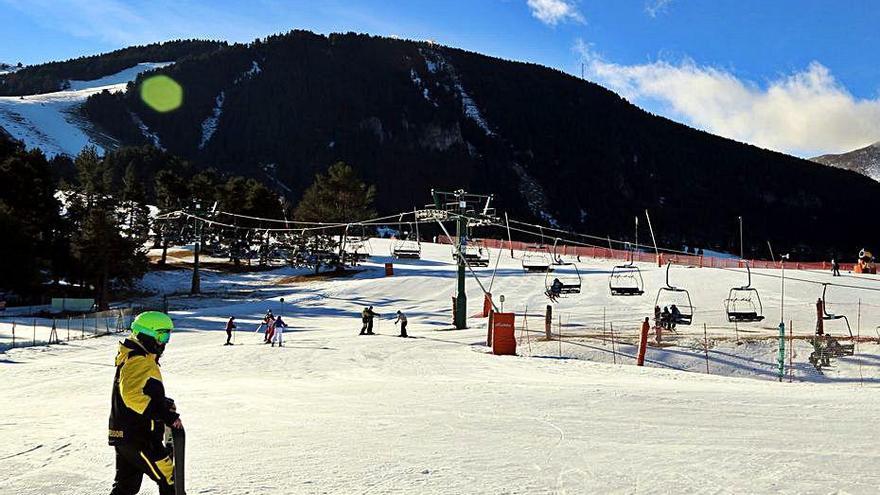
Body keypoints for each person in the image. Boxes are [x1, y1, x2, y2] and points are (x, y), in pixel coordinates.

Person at [109, 311, 182, 495]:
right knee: (169, 479)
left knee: (126, 487)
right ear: (147, 334)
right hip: (140, 436)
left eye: (168, 336)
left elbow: (143, 391)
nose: (164, 342)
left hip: (128, 435)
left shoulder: (141, 357)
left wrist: (163, 403)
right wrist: (167, 415)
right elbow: (132, 396)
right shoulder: (138, 360)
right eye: (162, 335)